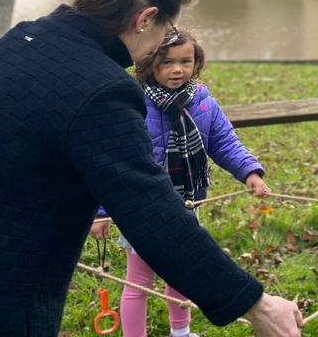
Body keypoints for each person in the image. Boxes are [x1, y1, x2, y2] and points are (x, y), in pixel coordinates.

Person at [0, 0, 301, 336]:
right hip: (5, 282)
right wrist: (257, 306)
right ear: (145, 19)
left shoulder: (18, 40)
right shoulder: (103, 90)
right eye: (168, 29)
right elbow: (149, 210)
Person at [91, 28, 272, 337]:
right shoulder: (133, 103)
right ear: (148, 64)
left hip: (185, 203)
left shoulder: (202, 102)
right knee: (139, 281)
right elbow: (112, 161)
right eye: (166, 62)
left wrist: (250, 172)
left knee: (181, 274)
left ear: (196, 62)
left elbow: (224, 142)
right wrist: (101, 212)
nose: (177, 69)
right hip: (142, 208)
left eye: (185, 61)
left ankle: (181, 332)